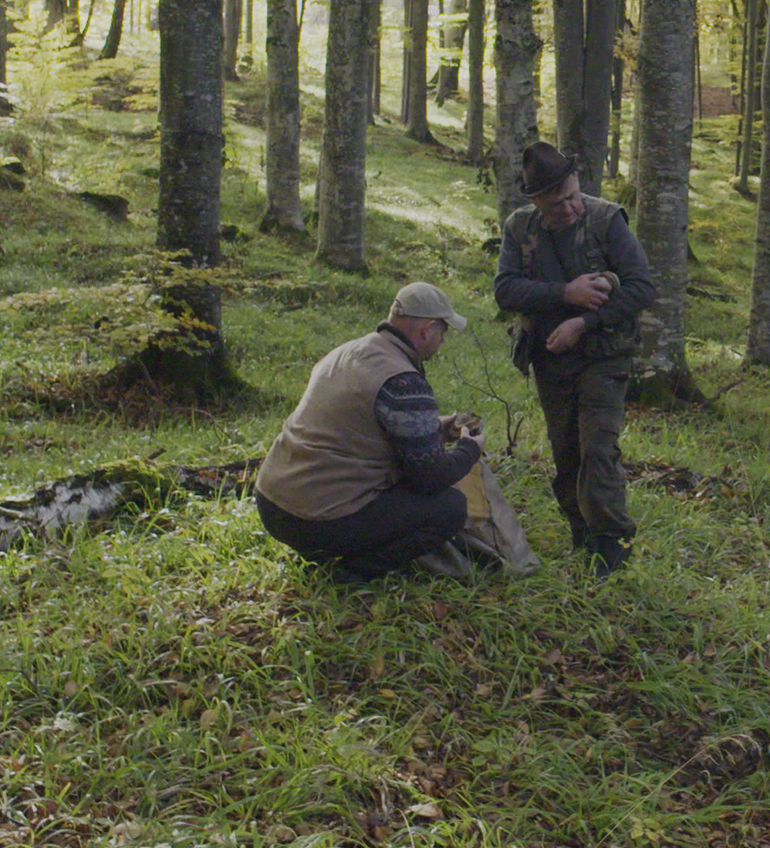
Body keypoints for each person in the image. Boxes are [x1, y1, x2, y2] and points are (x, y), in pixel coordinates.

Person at [494, 141, 656, 574]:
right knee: (566, 453)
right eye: (555, 203)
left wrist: (585, 322)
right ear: (535, 202)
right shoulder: (520, 228)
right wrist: (565, 293)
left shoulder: (606, 220)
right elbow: (505, 290)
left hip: (604, 356)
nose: (568, 208)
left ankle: (610, 546)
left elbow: (642, 287)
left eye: (571, 196)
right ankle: (581, 534)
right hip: (550, 360)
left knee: (598, 449)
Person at [254, 282, 485, 582]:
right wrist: (470, 450)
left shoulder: (348, 351)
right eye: (444, 330)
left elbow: (358, 430)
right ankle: (351, 573)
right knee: (450, 508)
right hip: (314, 518)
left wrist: (432, 431)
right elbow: (430, 477)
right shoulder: (404, 381)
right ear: (427, 330)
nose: (443, 340)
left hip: (272, 501)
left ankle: (327, 550)